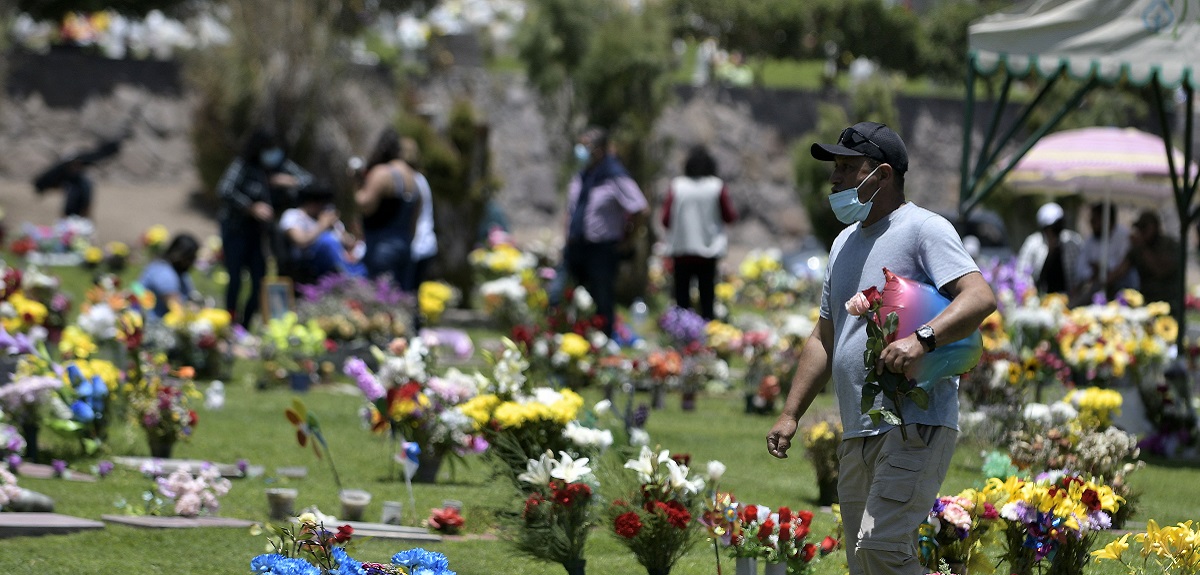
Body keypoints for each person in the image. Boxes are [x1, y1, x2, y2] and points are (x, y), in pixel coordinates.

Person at [765, 122, 996, 575]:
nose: (835, 178)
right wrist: (791, 413)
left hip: (914, 421)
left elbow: (979, 297)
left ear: (883, 175)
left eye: (847, 168)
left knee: (880, 548)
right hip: (859, 431)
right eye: (835, 167)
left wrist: (921, 338)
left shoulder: (924, 228)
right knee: (865, 565)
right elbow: (824, 337)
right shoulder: (842, 244)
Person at [216, 128, 312, 327]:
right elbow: (224, 189)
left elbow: (308, 181)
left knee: (259, 280)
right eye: (269, 149)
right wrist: (250, 207)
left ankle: (245, 325)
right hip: (235, 230)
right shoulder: (243, 165)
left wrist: (288, 182)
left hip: (258, 235)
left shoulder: (282, 167)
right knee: (235, 279)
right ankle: (229, 323)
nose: (273, 154)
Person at [561, 127, 649, 336]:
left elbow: (639, 208)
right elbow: (571, 209)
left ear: (599, 150)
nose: (580, 150)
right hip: (576, 245)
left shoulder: (614, 176)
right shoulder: (581, 176)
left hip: (602, 248)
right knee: (566, 296)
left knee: (602, 298)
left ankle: (605, 340)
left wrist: (629, 239)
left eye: (586, 146)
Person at [660, 144, 737, 320]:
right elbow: (729, 216)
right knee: (707, 296)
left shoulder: (677, 185)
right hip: (708, 251)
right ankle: (708, 332)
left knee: (681, 297)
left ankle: (682, 333)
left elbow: (665, 219)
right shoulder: (716, 186)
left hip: (682, 250)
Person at [355, 128, 420, 286]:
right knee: (400, 302)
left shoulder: (382, 173)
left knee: (379, 301)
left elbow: (366, 204)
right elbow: (415, 220)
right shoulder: (414, 178)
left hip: (381, 246)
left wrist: (356, 187)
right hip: (405, 246)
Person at [278, 183, 366, 280]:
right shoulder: (293, 215)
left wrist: (337, 228)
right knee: (327, 241)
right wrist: (321, 225)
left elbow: (348, 243)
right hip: (307, 261)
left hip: (339, 260)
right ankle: (350, 278)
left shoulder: (329, 219)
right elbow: (300, 241)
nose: (324, 206)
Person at [1111, 210, 1182, 312]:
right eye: (1139, 228)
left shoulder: (1168, 245)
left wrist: (1142, 247)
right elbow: (1121, 271)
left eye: (1144, 228)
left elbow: (1160, 270)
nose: (1141, 232)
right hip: (1147, 300)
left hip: (1169, 301)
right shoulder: (1137, 249)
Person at [1015, 202, 1084, 295]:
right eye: (1052, 228)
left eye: (1059, 226)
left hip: (1069, 297)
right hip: (1040, 298)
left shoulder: (1073, 241)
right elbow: (1021, 273)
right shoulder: (1033, 243)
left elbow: (1082, 271)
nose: (1055, 232)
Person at [1076, 202, 1134, 302]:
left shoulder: (1124, 236)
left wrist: (1104, 268)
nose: (1091, 223)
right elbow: (1081, 268)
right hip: (1095, 286)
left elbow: (1124, 266)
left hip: (1121, 289)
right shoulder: (1090, 240)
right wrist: (1092, 273)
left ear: (1107, 220)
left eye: (1095, 220)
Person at [402, 137, 437, 293]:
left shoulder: (411, 181)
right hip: (426, 243)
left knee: (408, 293)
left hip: (418, 245)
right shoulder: (421, 179)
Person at [139, 233, 200, 318]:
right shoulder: (164, 274)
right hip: (151, 324)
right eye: (192, 258)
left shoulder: (180, 273)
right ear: (183, 257)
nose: (193, 262)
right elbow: (177, 310)